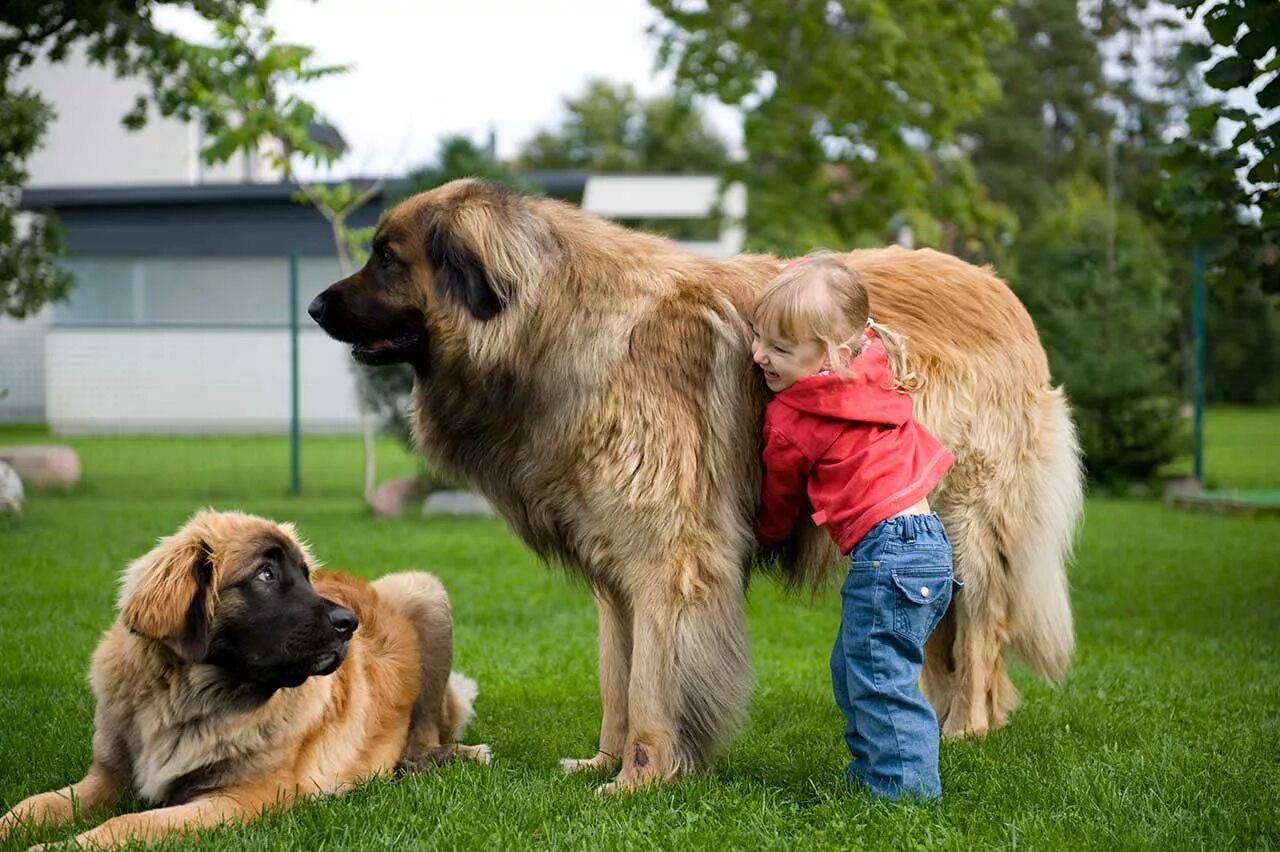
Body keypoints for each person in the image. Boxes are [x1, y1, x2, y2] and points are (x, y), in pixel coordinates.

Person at [752, 253, 957, 800]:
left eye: (779, 349)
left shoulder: (793, 416)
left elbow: (779, 495)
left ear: (829, 355)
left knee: (880, 679)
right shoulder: (870, 363)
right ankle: (874, 768)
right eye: (758, 337)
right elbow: (848, 314)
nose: (759, 355)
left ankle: (905, 792)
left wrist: (766, 535)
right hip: (927, 547)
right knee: (856, 665)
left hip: (889, 555)